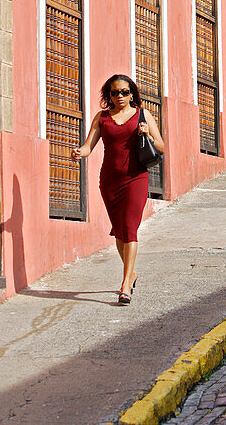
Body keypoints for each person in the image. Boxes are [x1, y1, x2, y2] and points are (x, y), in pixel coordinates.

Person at [71, 74, 164, 304]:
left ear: (132, 93)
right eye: (115, 92)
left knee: (130, 229)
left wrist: (147, 134)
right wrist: (78, 152)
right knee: (120, 232)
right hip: (109, 182)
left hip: (135, 179)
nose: (120, 96)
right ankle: (131, 272)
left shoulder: (143, 115)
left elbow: (161, 146)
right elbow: (87, 147)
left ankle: (125, 285)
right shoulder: (102, 118)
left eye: (124, 92)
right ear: (109, 95)